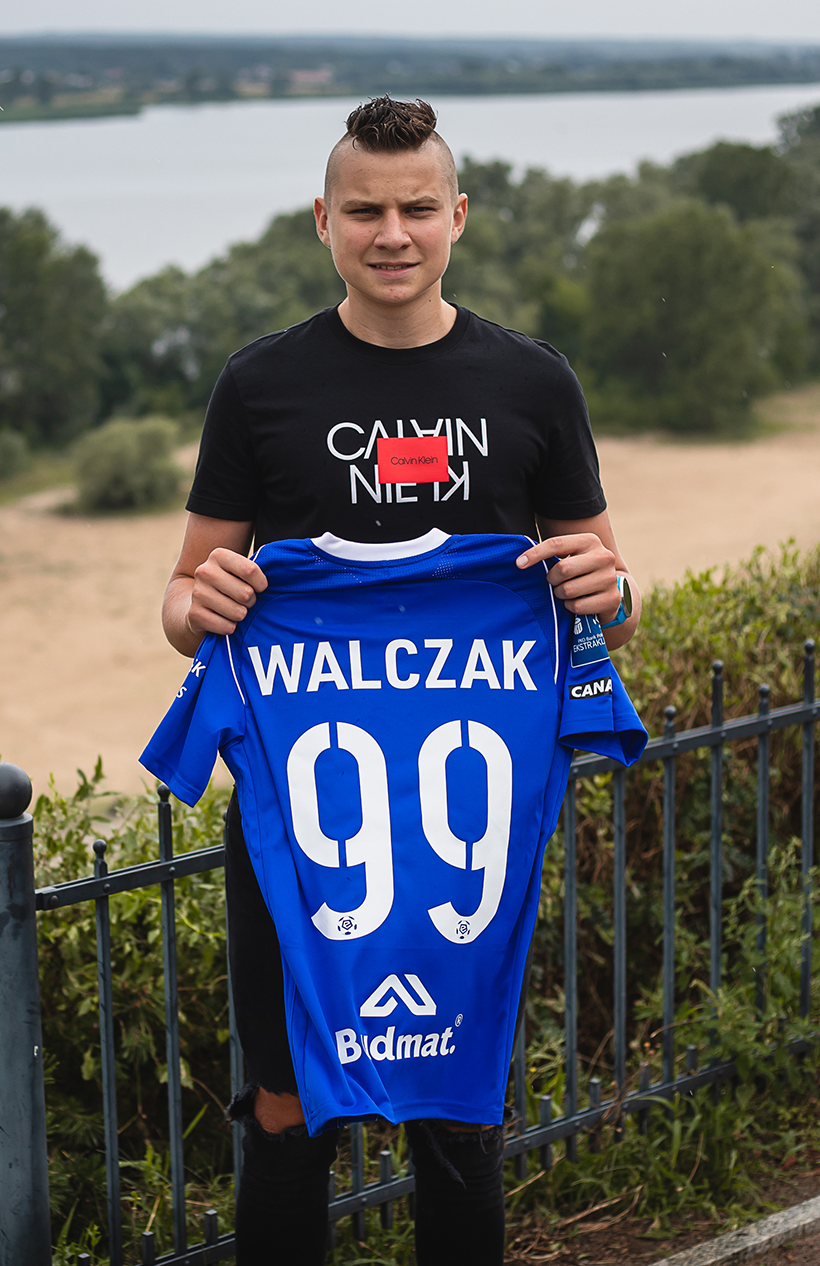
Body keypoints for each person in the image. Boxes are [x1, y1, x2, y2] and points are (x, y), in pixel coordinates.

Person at [159, 96, 641, 1264]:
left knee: (458, 1113)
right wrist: (199, 606)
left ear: (457, 216)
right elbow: (181, 600)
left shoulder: (533, 383)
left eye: (417, 208)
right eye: (365, 210)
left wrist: (615, 591)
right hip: (298, 826)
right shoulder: (259, 385)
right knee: (285, 1113)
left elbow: (607, 599)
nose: (392, 234)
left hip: (468, 826)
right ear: (322, 220)